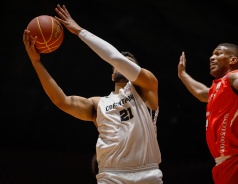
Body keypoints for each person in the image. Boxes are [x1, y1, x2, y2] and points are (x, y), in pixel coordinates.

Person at [23, 4, 163, 184]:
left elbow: (114, 57)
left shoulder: (146, 88)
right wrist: (36, 63)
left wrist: (80, 31)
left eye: (129, 63)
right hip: (111, 176)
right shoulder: (98, 104)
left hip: (148, 174)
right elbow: (62, 101)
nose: (123, 63)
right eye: (119, 65)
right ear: (112, 74)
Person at [178, 43, 238, 184]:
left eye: (218, 53)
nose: (212, 57)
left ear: (233, 60)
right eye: (212, 54)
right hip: (223, 164)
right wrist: (182, 75)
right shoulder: (217, 87)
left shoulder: (234, 76)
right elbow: (201, 93)